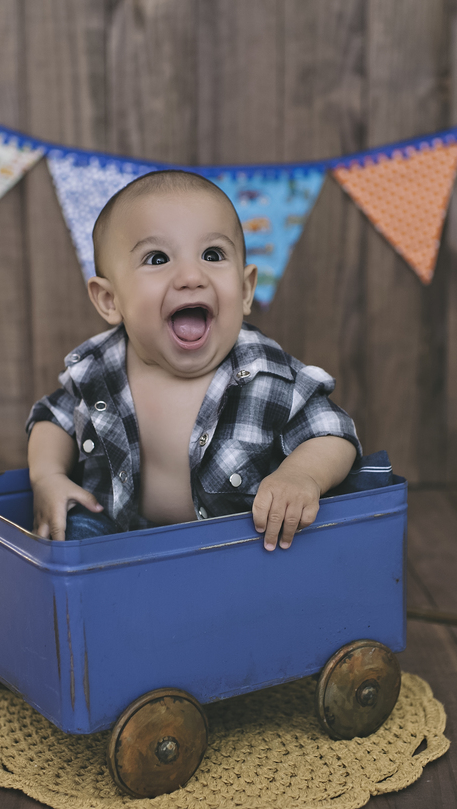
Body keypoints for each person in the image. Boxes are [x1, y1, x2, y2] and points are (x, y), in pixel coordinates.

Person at [26, 169, 368, 550]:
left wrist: (301, 474)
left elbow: (333, 432)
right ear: (110, 300)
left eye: (212, 255)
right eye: (157, 258)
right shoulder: (98, 368)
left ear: (244, 289)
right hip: (117, 538)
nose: (191, 276)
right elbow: (52, 418)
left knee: (283, 544)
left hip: (236, 545)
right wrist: (47, 476)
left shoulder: (266, 374)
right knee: (67, 532)